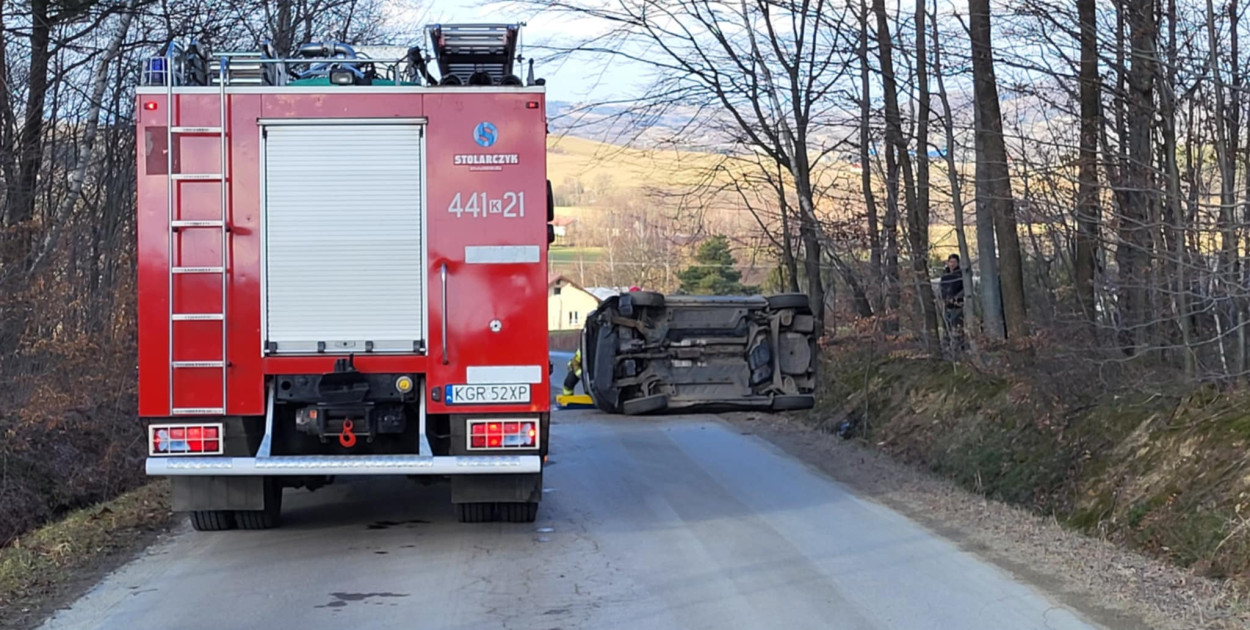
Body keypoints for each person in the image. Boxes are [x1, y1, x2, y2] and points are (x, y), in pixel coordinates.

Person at [939, 254, 965, 335]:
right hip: (946, 305)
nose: (952, 264)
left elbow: (964, 289)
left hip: (958, 305)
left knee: (957, 327)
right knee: (946, 328)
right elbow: (941, 288)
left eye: (954, 262)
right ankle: (946, 345)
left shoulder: (960, 275)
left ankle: (959, 345)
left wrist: (956, 298)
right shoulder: (945, 275)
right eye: (950, 262)